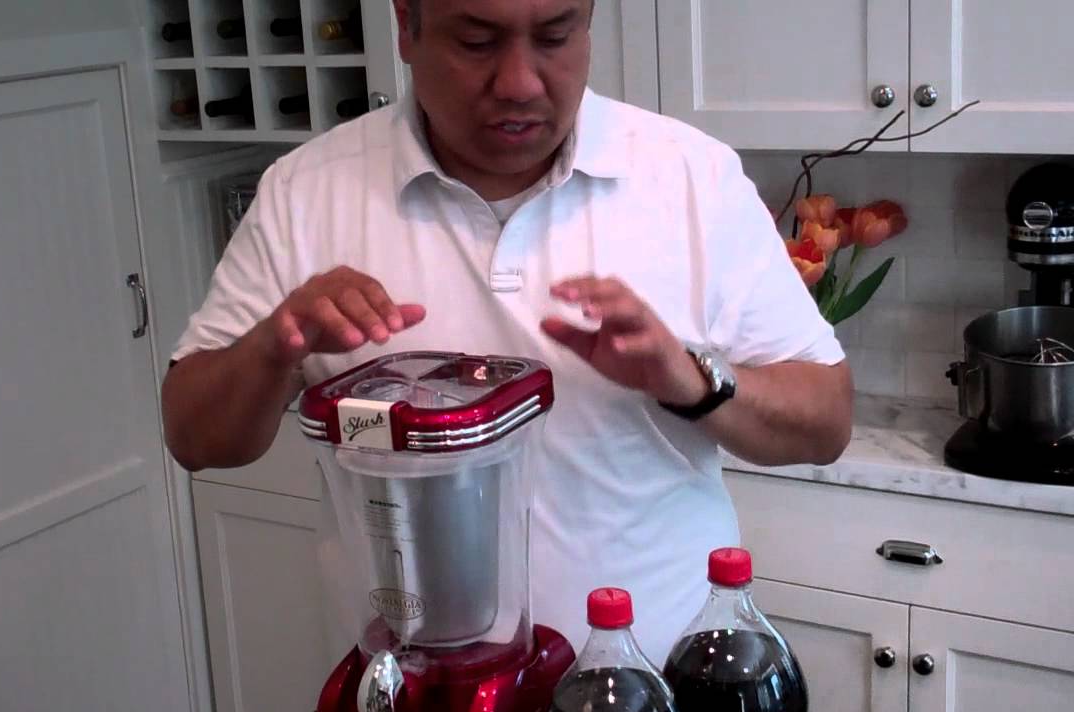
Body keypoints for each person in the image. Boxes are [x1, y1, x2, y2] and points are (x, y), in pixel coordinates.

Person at [161, 0, 853, 664]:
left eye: (555, 36)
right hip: (414, 687)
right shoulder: (306, 193)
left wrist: (692, 381)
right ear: (406, 25)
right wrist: (275, 346)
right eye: (476, 41)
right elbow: (193, 437)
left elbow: (825, 420)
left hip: (660, 682)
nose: (519, 82)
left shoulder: (690, 177)